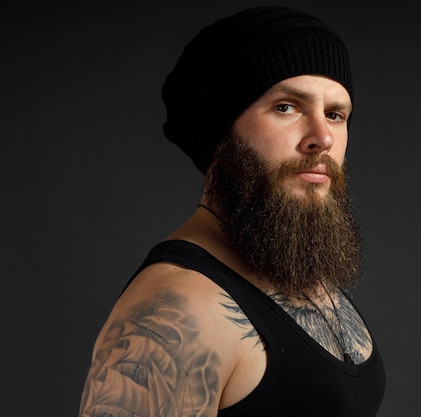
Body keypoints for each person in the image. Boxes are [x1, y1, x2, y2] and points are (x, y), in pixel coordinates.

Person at [78, 6, 385, 417]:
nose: (323, 137)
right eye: (286, 107)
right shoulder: (178, 309)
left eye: (335, 114)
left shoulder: (292, 260)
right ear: (223, 132)